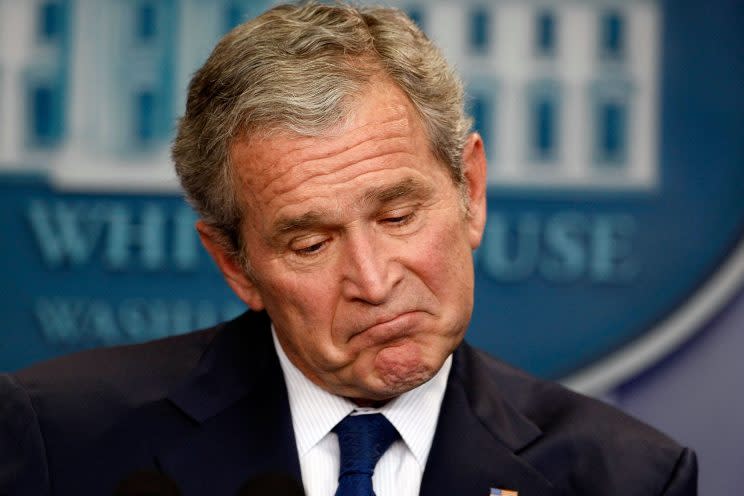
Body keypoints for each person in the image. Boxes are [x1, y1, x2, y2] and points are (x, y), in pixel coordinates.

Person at [0, 2, 696, 495]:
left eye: (397, 215)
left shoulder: (624, 477)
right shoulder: (62, 439)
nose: (372, 279)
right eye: (309, 242)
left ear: (471, 192)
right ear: (236, 265)